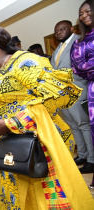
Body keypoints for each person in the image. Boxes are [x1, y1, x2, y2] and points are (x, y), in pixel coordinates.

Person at [0, 26, 94, 209]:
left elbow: (54, 97)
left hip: (42, 143)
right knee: (16, 194)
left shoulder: (25, 62)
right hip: (11, 146)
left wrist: (11, 123)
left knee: (46, 196)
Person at [51, 20, 94, 172]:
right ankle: (82, 155)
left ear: (71, 28)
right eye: (57, 31)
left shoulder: (79, 41)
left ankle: (92, 159)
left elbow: (85, 66)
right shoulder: (57, 49)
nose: (59, 33)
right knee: (74, 126)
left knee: (84, 125)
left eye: (62, 29)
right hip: (62, 95)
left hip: (77, 91)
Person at [71, 0, 94, 181]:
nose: (84, 15)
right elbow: (78, 67)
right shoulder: (80, 41)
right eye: (81, 13)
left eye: (88, 11)